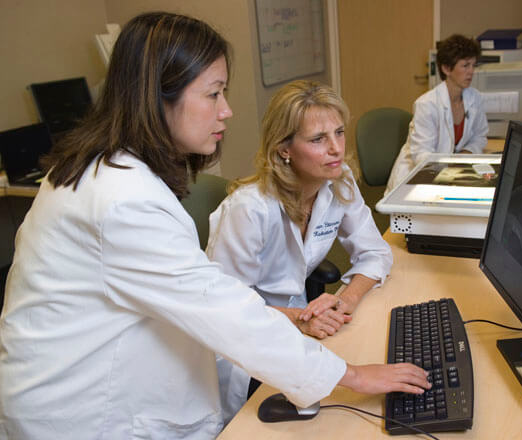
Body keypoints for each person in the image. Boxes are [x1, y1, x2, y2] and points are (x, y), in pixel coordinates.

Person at [0, 12, 429, 439]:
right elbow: (226, 310)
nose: (227, 111)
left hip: (97, 381)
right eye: (213, 94)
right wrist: (352, 375)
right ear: (156, 96)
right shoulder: (122, 201)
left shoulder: (107, 173)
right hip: (87, 413)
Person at [206, 80, 393, 419]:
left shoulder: (338, 180)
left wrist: (343, 300)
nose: (336, 149)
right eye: (319, 139)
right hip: (244, 344)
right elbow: (227, 309)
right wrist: (299, 320)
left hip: (302, 324)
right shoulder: (249, 209)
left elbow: (376, 253)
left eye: (339, 132)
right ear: (284, 149)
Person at [386, 34, 489, 194]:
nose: (471, 72)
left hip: (451, 174)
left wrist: (463, 156)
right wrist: (451, 169)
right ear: (446, 68)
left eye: (473, 65)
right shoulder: (427, 104)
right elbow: (422, 155)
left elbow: (479, 137)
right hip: (417, 177)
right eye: (465, 65)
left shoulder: (474, 98)